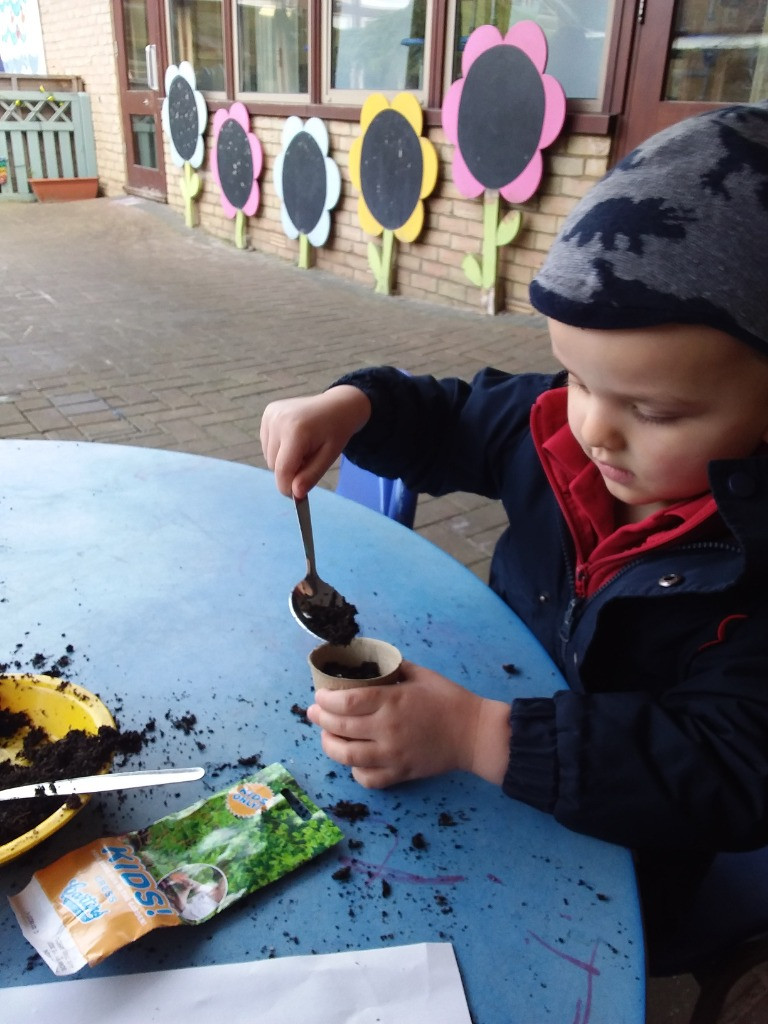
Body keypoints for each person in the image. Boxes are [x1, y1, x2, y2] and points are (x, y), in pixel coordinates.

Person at [260, 102, 768, 958]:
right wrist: (357, 405)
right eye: (577, 377)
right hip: (478, 743)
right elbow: (453, 419)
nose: (594, 429)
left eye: (652, 409)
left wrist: (477, 734)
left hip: (624, 859)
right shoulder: (559, 430)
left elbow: (730, 768)